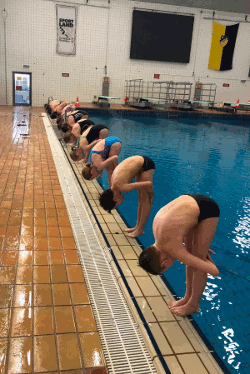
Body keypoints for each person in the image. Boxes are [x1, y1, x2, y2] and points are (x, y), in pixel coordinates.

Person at [138, 194, 220, 316]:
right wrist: (200, 245)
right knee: (192, 256)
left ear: (164, 263)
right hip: (191, 202)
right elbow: (179, 225)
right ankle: (187, 298)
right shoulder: (158, 235)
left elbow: (214, 271)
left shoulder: (171, 247)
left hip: (207, 209)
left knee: (197, 260)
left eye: (166, 268)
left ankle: (193, 305)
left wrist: (203, 259)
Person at [99, 155, 155, 238]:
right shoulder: (113, 186)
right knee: (141, 199)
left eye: (117, 205)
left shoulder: (122, 187)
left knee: (146, 199)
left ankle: (140, 230)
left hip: (146, 164)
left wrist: (152, 195)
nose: (120, 204)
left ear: (115, 198)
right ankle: (137, 227)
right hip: (138, 163)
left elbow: (149, 184)